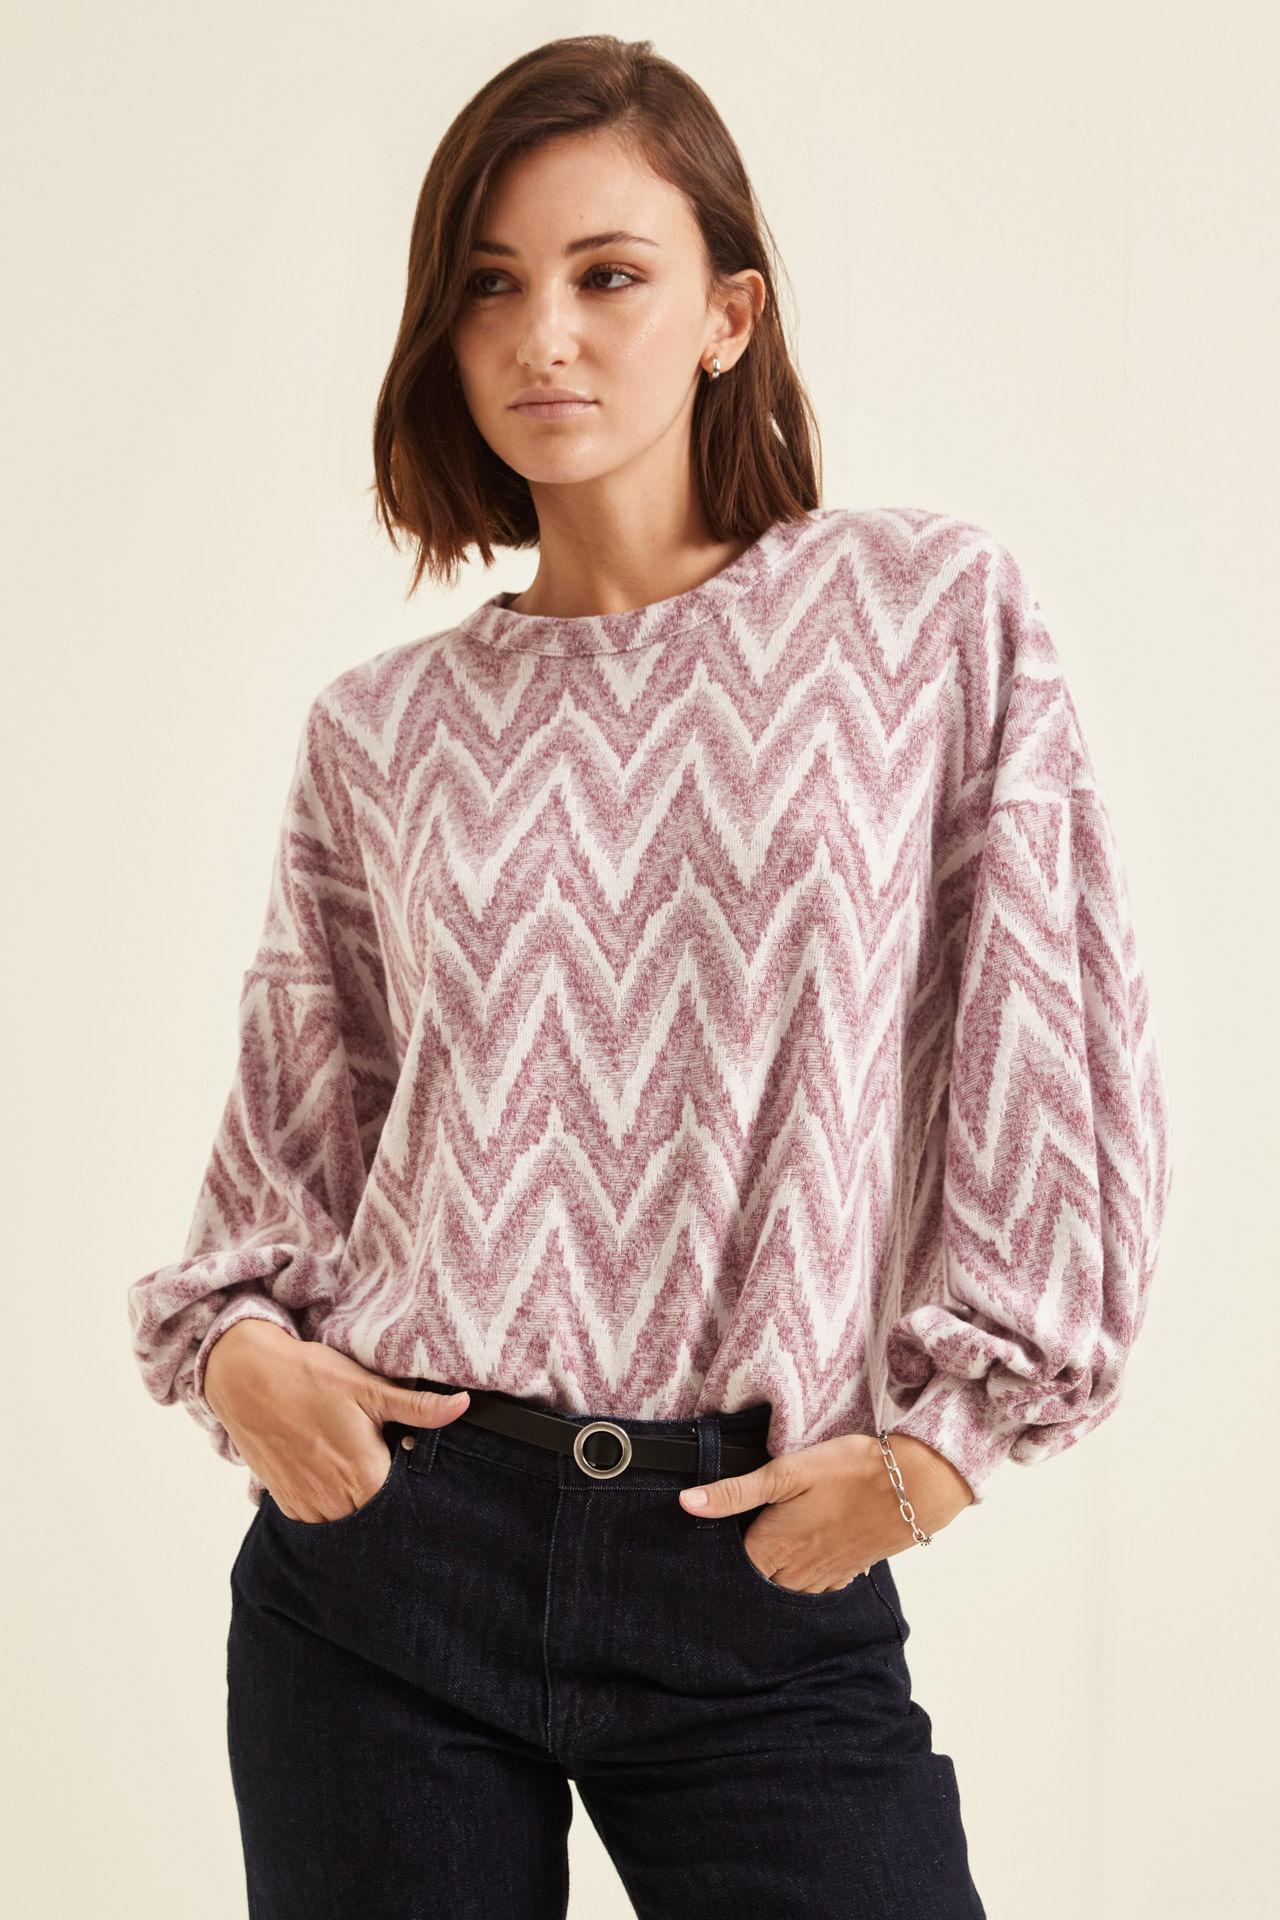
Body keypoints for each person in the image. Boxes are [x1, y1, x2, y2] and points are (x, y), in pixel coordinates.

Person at [127, 32, 1172, 1920]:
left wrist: (941, 1457)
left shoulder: (923, 618)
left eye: (608, 275)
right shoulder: (381, 734)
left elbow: (1052, 1041)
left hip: (750, 1559)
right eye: (490, 286)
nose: (545, 337)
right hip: (386, 1568)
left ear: (726, 316)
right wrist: (243, 1355)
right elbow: (288, 1163)